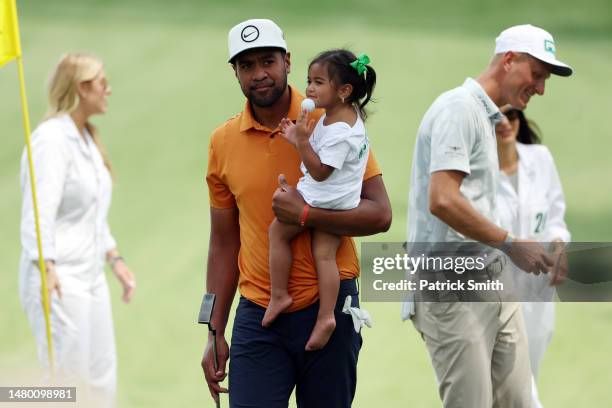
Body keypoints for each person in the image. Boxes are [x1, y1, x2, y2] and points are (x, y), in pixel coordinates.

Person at [201, 19, 391, 408]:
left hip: (330, 308)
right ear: (234, 72)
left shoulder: (333, 121)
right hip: (259, 314)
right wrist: (213, 329)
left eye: (267, 61)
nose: (259, 74)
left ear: (287, 61)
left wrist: (305, 215)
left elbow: (379, 214)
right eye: (246, 65)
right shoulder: (222, 142)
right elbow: (223, 242)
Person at [401, 24, 572, 407]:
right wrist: (511, 244)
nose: (541, 88)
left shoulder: (488, 118)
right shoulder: (457, 108)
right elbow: (442, 200)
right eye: (537, 75)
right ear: (509, 60)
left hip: (495, 284)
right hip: (450, 289)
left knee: (520, 401)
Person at [19, 52, 136, 407]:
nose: (108, 89)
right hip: (58, 278)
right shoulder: (51, 141)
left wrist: (115, 259)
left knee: (101, 381)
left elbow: (91, 213)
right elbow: (39, 210)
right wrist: (47, 268)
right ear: (82, 88)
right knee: (65, 384)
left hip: (90, 276)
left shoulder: (85, 137)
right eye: (102, 82)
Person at [263, 49, 376, 351]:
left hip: (326, 199)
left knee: (277, 232)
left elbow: (320, 171)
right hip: (337, 199)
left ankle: (278, 295)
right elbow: (317, 152)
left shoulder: (341, 131)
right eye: (308, 81)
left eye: (318, 82)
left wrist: (300, 142)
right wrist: (297, 138)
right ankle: (326, 317)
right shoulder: (335, 118)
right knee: (324, 256)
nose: (309, 89)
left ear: (343, 91)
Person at [496, 107, 570, 408]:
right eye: (496, 117)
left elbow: (555, 215)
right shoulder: (476, 171)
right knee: (517, 384)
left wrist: (559, 248)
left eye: (512, 115)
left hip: (538, 288)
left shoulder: (540, 159)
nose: (505, 123)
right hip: (497, 291)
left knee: (527, 379)